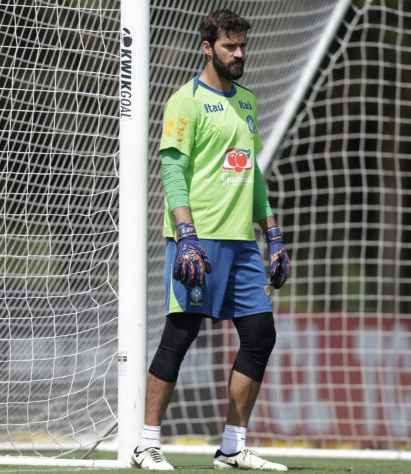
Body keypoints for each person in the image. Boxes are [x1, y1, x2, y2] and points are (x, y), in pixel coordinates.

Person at [130, 9, 290, 472]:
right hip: (198, 242)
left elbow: (252, 173)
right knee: (180, 335)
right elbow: (172, 172)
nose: (239, 53)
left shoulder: (248, 102)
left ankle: (232, 447)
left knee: (261, 335)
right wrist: (184, 234)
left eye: (242, 45)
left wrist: (273, 234)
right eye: (229, 46)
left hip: (243, 245)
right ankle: (146, 444)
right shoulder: (185, 101)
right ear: (208, 48)